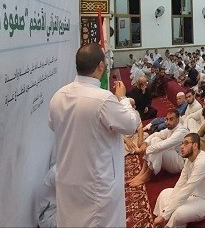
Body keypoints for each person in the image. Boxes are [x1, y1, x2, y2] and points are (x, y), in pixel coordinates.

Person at [48, 43, 141, 227]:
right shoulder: (103, 100)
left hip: (68, 180)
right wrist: (122, 99)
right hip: (97, 184)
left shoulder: (58, 96)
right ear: (100, 65)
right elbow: (131, 124)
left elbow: (53, 125)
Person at [153, 133, 205, 227]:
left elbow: (187, 190)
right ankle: (164, 222)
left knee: (179, 213)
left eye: (186, 143)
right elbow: (180, 185)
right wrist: (166, 212)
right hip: (193, 195)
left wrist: (165, 214)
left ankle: (166, 223)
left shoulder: (203, 162)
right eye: (182, 143)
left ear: (195, 145)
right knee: (164, 194)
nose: (181, 146)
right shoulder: (189, 160)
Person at [128, 109, 189, 187]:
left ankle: (147, 176)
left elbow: (164, 145)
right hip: (172, 156)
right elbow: (156, 134)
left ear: (178, 119)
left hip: (179, 163)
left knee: (158, 147)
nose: (168, 122)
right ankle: (142, 172)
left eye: (171, 119)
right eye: (167, 119)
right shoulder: (171, 128)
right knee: (155, 139)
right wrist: (145, 143)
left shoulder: (181, 131)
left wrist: (145, 150)